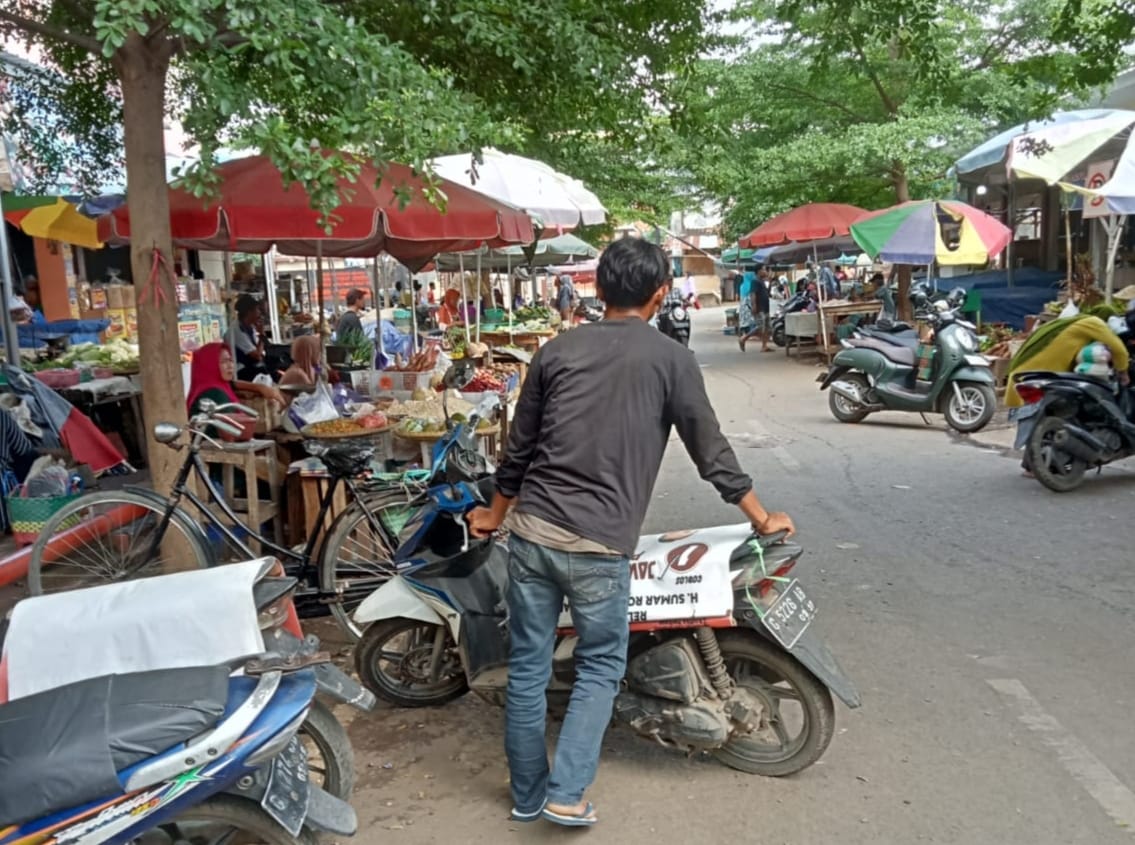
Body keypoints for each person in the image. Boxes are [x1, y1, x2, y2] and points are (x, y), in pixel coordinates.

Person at [467, 237, 795, 829]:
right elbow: (710, 451)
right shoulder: (671, 359)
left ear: (597, 289)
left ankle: (526, 794)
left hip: (533, 533)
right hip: (599, 544)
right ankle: (566, 792)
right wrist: (760, 516)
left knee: (529, 665)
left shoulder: (556, 351)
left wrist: (494, 514)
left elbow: (517, 452)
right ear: (660, 293)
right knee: (598, 666)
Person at [1006, 314, 1130, 475]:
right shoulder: (1094, 322)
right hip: (1045, 375)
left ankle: (1032, 466)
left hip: (1023, 375)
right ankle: (1045, 463)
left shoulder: (1063, 324)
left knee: (1042, 418)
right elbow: (1117, 348)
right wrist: (1123, 371)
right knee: (1064, 413)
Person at [187, 342, 284, 418]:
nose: (230, 366)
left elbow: (232, 384)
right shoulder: (215, 393)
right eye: (224, 361)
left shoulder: (208, 385)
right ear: (209, 366)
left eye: (230, 360)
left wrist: (259, 387)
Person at [738, 269, 771, 352]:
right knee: (760, 327)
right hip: (760, 308)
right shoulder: (754, 281)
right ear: (759, 271)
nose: (765, 271)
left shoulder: (762, 281)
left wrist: (770, 281)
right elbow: (753, 294)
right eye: (764, 269)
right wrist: (754, 306)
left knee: (767, 328)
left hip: (765, 307)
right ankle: (743, 338)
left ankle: (764, 346)